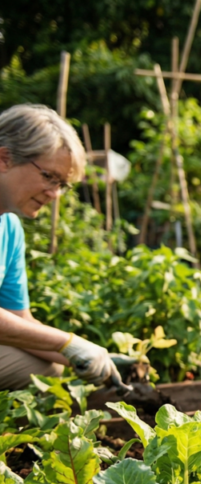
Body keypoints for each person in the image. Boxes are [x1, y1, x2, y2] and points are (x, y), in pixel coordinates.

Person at [0, 104, 124, 391]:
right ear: (4, 158)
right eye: (48, 177)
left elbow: (20, 320)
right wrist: (66, 342)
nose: (54, 194)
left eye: (62, 184)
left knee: (43, 371)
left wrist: (89, 357)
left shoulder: (10, 227)